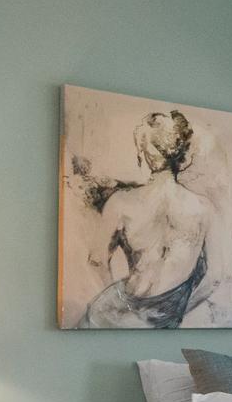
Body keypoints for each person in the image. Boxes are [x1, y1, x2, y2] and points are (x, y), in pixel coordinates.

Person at [76, 110, 214, 328]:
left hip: (125, 310)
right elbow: (213, 276)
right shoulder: (203, 207)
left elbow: (97, 260)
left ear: (145, 153)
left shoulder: (121, 202)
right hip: (167, 310)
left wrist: (127, 308)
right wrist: (174, 311)